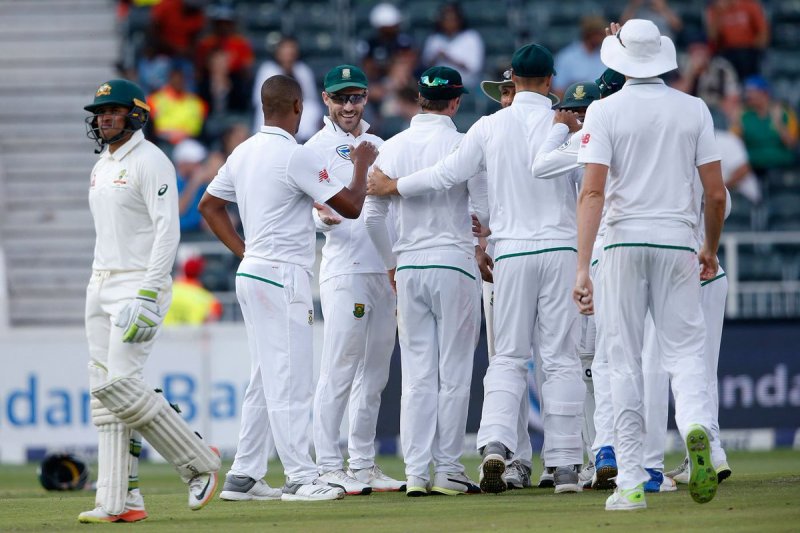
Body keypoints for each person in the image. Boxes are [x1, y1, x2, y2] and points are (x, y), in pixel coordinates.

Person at [368, 43, 586, 495]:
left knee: (508, 356)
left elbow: (446, 174)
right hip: (560, 249)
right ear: (550, 81)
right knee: (560, 358)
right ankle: (565, 464)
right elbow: (588, 188)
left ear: (514, 82)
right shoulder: (567, 125)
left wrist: (394, 186)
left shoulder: (487, 126)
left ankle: (495, 444)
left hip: (511, 252)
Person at [198, 74, 378, 502]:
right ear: (298, 106)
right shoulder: (296, 155)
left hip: (254, 272)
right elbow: (352, 207)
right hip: (281, 275)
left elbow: (210, 206)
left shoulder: (243, 151)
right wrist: (361, 163)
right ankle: (300, 475)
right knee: (291, 377)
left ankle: (244, 474)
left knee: (266, 375)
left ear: (264, 107)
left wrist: (244, 252)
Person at [574, 19, 726, 510]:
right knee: (685, 354)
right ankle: (697, 427)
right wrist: (709, 247)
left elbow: (592, 192)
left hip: (622, 242)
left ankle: (632, 482)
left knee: (623, 361)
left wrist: (582, 266)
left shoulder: (603, 110)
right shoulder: (694, 108)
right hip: (677, 240)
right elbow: (715, 194)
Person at [80, 78, 220, 523]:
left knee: (122, 384)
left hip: (138, 283)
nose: (104, 118)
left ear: (136, 115)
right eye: (100, 112)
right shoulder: (102, 164)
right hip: (101, 283)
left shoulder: (151, 160)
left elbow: (167, 231)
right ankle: (120, 500)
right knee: (104, 393)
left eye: (113, 111)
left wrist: (148, 290)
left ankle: (199, 462)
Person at [364, 66, 487, 496]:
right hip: (454, 262)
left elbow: (372, 217)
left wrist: (391, 264)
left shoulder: (392, 147)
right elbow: (484, 211)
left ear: (419, 99)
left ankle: (416, 471)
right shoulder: (463, 144)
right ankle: (448, 468)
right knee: (454, 372)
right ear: (455, 102)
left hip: (410, 265)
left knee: (417, 375)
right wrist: (481, 239)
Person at [305, 65, 404, 495]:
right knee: (340, 367)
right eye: (341, 98)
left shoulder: (381, 144)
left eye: (356, 97)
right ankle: (328, 464)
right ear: (326, 100)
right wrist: (321, 220)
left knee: (375, 373)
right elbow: (311, 205)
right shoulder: (314, 149)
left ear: (366, 98)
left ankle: (362, 464)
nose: (349, 106)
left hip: (383, 268)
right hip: (345, 268)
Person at [251, 36, 323, 142]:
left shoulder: (303, 70)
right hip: (273, 110)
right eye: (285, 49)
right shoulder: (267, 69)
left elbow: (310, 98)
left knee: (312, 108)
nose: (289, 54)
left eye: (292, 50)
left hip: (296, 111)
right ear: (277, 52)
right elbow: (259, 100)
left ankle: (304, 141)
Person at [733, 75, 799, 176]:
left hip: (782, 168)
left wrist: (778, 122)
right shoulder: (743, 115)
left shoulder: (783, 112)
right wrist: (736, 122)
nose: (748, 96)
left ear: (765, 93)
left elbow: (791, 144)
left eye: (752, 92)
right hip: (753, 169)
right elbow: (733, 143)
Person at [421, 3, 484, 90]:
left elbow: (474, 68)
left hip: (465, 86)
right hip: (438, 87)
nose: (449, 23)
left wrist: (448, 57)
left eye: (452, 19)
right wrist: (436, 57)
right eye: (446, 19)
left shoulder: (471, 37)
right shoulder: (434, 38)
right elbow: (426, 65)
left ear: (459, 20)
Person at [705, 0, 769, 80]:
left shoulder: (749, 5)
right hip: (726, 52)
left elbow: (763, 32)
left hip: (747, 51)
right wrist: (718, 14)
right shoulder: (715, 9)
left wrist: (755, 51)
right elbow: (712, 37)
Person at [147, 65, 208, 145]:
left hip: (189, 141)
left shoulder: (197, 103)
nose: (178, 81)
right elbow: (150, 127)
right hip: (162, 141)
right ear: (169, 79)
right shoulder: (154, 100)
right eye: (175, 77)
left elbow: (200, 128)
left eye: (181, 78)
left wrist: (183, 134)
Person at [553, 15, 607, 95]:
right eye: (599, 34)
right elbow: (558, 90)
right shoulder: (567, 57)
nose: (603, 37)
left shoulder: (606, 55)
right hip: (575, 101)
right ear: (589, 34)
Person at [163, 256, 223, 325]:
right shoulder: (210, 300)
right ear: (201, 273)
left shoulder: (166, 291)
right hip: (193, 332)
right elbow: (211, 324)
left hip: (164, 331)